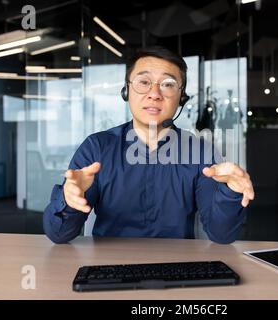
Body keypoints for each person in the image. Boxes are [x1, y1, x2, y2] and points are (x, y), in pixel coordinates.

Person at [43, 46, 255, 244]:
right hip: (108, 268)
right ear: (126, 91)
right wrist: (68, 199)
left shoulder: (200, 152)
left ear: (181, 98)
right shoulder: (97, 147)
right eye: (144, 82)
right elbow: (59, 234)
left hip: (178, 269)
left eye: (168, 85)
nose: (154, 94)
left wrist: (230, 192)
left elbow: (222, 234)